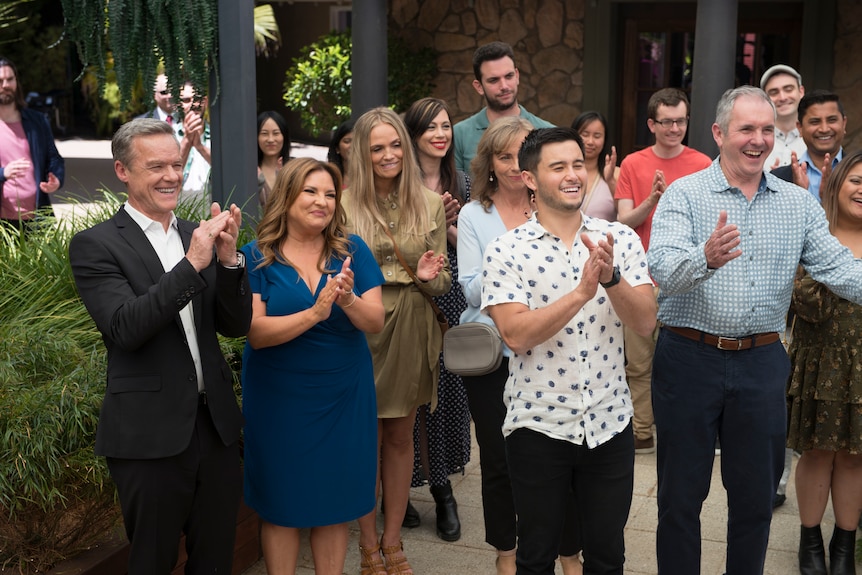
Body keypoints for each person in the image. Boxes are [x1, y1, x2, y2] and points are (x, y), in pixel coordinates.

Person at [647, 85, 862, 575]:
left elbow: (841, 270)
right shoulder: (684, 195)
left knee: (756, 501)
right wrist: (705, 257)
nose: (758, 140)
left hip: (763, 363)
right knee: (679, 499)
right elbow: (661, 270)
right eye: (747, 129)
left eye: (767, 130)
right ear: (720, 133)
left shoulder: (797, 204)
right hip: (687, 358)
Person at [68, 118, 252, 574]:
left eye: (177, 163)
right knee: (152, 562)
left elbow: (235, 324)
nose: (171, 175)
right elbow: (126, 327)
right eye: (156, 167)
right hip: (148, 438)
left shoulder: (198, 234)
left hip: (217, 429)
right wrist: (193, 264)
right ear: (122, 171)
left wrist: (229, 263)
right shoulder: (96, 245)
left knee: (214, 562)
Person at [482, 126, 656, 574]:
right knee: (536, 555)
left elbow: (644, 321)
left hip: (609, 422)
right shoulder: (507, 249)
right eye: (558, 167)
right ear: (530, 179)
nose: (573, 174)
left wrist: (611, 278)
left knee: (607, 556)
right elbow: (516, 335)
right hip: (537, 424)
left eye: (578, 164)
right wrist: (581, 292)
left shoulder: (619, 238)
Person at [241, 157, 385, 575]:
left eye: (329, 194)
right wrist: (314, 314)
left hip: (343, 393)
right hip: (278, 400)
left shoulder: (352, 251)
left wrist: (348, 300)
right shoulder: (256, 257)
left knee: (333, 503)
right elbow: (255, 332)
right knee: (280, 503)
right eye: (310, 191)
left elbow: (375, 322)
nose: (322, 201)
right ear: (287, 196)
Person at [459, 117, 584, 575]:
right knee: (497, 462)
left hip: (552, 353)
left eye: (520, 156)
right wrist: (515, 286)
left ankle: (570, 554)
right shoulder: (475, 215)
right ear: (489, 163)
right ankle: (506, 553)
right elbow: (471, 288)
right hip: (496, 356)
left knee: (566, 459)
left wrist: (519, 290)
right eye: (503, 156)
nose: (513, 165)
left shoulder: (552, 206)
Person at [342, 107, 451, 575]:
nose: (389, 155)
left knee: (401, 437)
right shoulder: (342, 205)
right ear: (363, 156)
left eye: (394, 146)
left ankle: (393, 541)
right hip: (358, 330)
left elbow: (444, 284)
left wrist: (428, 277)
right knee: (363, 439)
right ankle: (367, 544)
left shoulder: (429, 203)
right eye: (377, 148)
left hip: (409, 327)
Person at [614, 87, 711, 455]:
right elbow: (624, 221)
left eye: (681, 121)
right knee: (638, 362)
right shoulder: (633, 164)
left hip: (686, 277)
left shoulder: (703, 163)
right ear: (651, 124)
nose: (674, 128)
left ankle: (682, 429)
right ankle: (642, 431)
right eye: (667, 121)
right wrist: (653, 200)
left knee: (686, 361)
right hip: (639, 276)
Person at [786, 151, 862, 575]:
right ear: (836, 184)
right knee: (816, 453)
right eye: (855, 180)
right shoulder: (816, 234)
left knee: (855, 456)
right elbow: (805, 302)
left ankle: (845, 546)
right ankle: (810, 540)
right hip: (820, 364)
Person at [403, 97, 471, 542]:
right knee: (406, 397)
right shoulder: (396, 183)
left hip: (452, 297)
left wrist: (450, 227)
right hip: (409, 298)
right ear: (414, 134)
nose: (440, 134)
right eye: (430, 127)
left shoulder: (461, 180)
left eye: (445, 126)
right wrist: (430, 226)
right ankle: (400, 490)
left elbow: (472, 247)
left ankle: (444, 489)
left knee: (446, 395)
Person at [453, 41, 553, 172]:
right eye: (493, 80)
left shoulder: (548, 132)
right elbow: (455, 188)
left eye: (509, 76)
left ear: (517, 76)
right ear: (479, 87)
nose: (504, 86)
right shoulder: (459, 134)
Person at [0, 56, 64, 230]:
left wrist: (56, 178)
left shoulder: (37, 121)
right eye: (0, 80)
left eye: (10, 79)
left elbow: (54, 157)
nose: (5, 85)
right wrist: (3, 173)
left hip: (37, 217)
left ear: (16, 82)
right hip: (3, 223)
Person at [772, 90, 847, 201]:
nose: (824, 129)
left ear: (844, 123)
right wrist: (799, 197)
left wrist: (830, 200)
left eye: (832, 120)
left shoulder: (858, 171)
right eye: (815, 122)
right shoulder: (778, 179)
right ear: (800, 128)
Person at [571, 111, 618, 221]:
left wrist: (611, 181)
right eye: (585, 135)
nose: (590, 142)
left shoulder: (616, 174)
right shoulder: (561, 173)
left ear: (605, 139)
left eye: (597, 136)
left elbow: (625, 214)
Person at [760, 64, 807, 170]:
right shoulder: (756, 142)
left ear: (801, 92)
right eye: (774, 92)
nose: (782, 97)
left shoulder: (815, 140)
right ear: (765, 99)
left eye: (788, 89)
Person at [176, 81, 212, 204]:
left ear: (205, 102)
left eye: (197, 99)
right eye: (186, 100)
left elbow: (227, 167)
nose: (193, 104)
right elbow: (169, 169)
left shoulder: (218, 134)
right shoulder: (169, 134)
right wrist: (186, 140)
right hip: (180, 208)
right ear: (177, 104)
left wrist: (200, 147)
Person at [256, 110, 291, 205]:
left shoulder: (294, 169)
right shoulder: (251, 171)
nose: (270, 139)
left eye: (276, 133)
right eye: (264, 133)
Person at [328, 119, 355, 188]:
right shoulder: (329, 176)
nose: (353, 146)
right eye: (347, 141)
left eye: (357, 141)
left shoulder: (373, 177)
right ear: (337, 148)